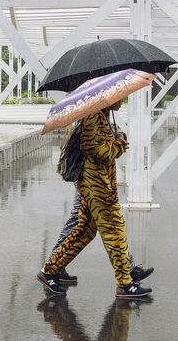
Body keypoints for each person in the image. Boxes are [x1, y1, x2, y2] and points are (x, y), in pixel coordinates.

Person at [38, 101, 152, 298]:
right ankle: (125, 284)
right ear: (109, 98)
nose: (122, 101)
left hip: (98, 183)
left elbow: (100, 142)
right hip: (96, 185)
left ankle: (50, 270)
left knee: (85, 231)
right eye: (121, 98)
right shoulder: (93, 115)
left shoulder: (101, 114)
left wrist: (116, 137)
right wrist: (118, 146)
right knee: (114, 231)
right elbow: (94, 148)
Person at [48, 185, 154, 285]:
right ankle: (52, 267)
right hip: (91, 172)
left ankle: (54, 266)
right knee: (104, 218)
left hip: (91, 172)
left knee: (84, 217)